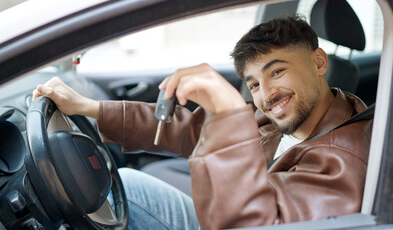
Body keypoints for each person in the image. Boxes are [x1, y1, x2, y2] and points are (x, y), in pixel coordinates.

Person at [33, 16, 372, 230]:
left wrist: (229, 115)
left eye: (277, 71)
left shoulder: (343, 159)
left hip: (241, 219)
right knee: (125, 184)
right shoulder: (292, 117)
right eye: (253, 84)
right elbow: (192, 130)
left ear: (318, 62)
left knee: (119, 195)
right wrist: (88, 107)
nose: (266, 95)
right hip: (239, 207)